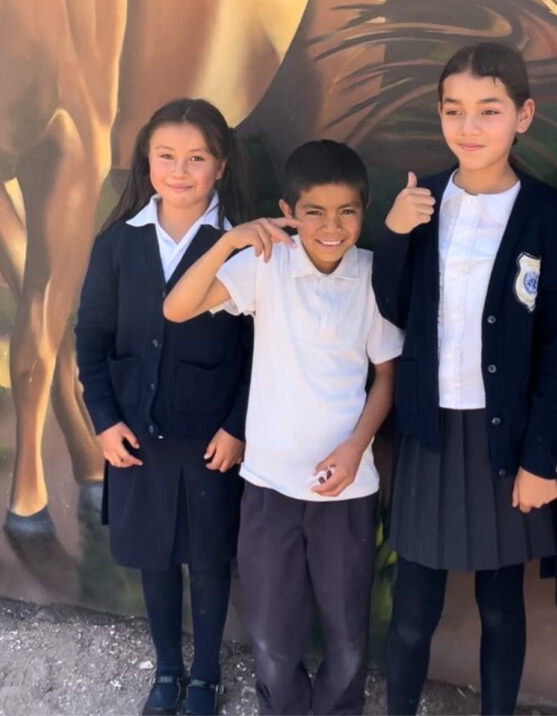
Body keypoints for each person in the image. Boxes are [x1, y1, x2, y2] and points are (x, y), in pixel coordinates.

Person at [164, 140, 403, 716]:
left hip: (346, 490)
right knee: (272, 635)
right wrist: (229, 240)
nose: (332, 226)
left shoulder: (373, 275)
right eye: (314, 211)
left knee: (347, 636)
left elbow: (387, 378)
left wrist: (354, 448)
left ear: (364, 212)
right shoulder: (265, 265)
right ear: (287, 211)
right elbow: (177, 308)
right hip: (269, 485)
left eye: (347, 211)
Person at [372, 42, 557, 716]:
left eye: (488, 110)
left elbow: (554, 351)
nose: (468, 127)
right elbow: (388, 309)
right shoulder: (421, 205)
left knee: (501, 608)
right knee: (412, 608)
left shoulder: (544, 214)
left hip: (503, 442)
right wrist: (392, 235)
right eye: (453, 110)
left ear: (522, 115)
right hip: (428, 432)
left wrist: (543, 459)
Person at [75, 99, 252, 716]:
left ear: (221, 165)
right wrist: (103, 420)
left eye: (196, 158)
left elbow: (263, 349)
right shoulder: (118, 243)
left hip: (211, 440)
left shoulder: (239, 244)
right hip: (135, 437)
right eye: (166, 157)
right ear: (146, 162)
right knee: (154, 554)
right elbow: (90, 337)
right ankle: (168, 671)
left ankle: (205, 675)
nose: (180, 171)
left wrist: (237, 425)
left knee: (207, 557)